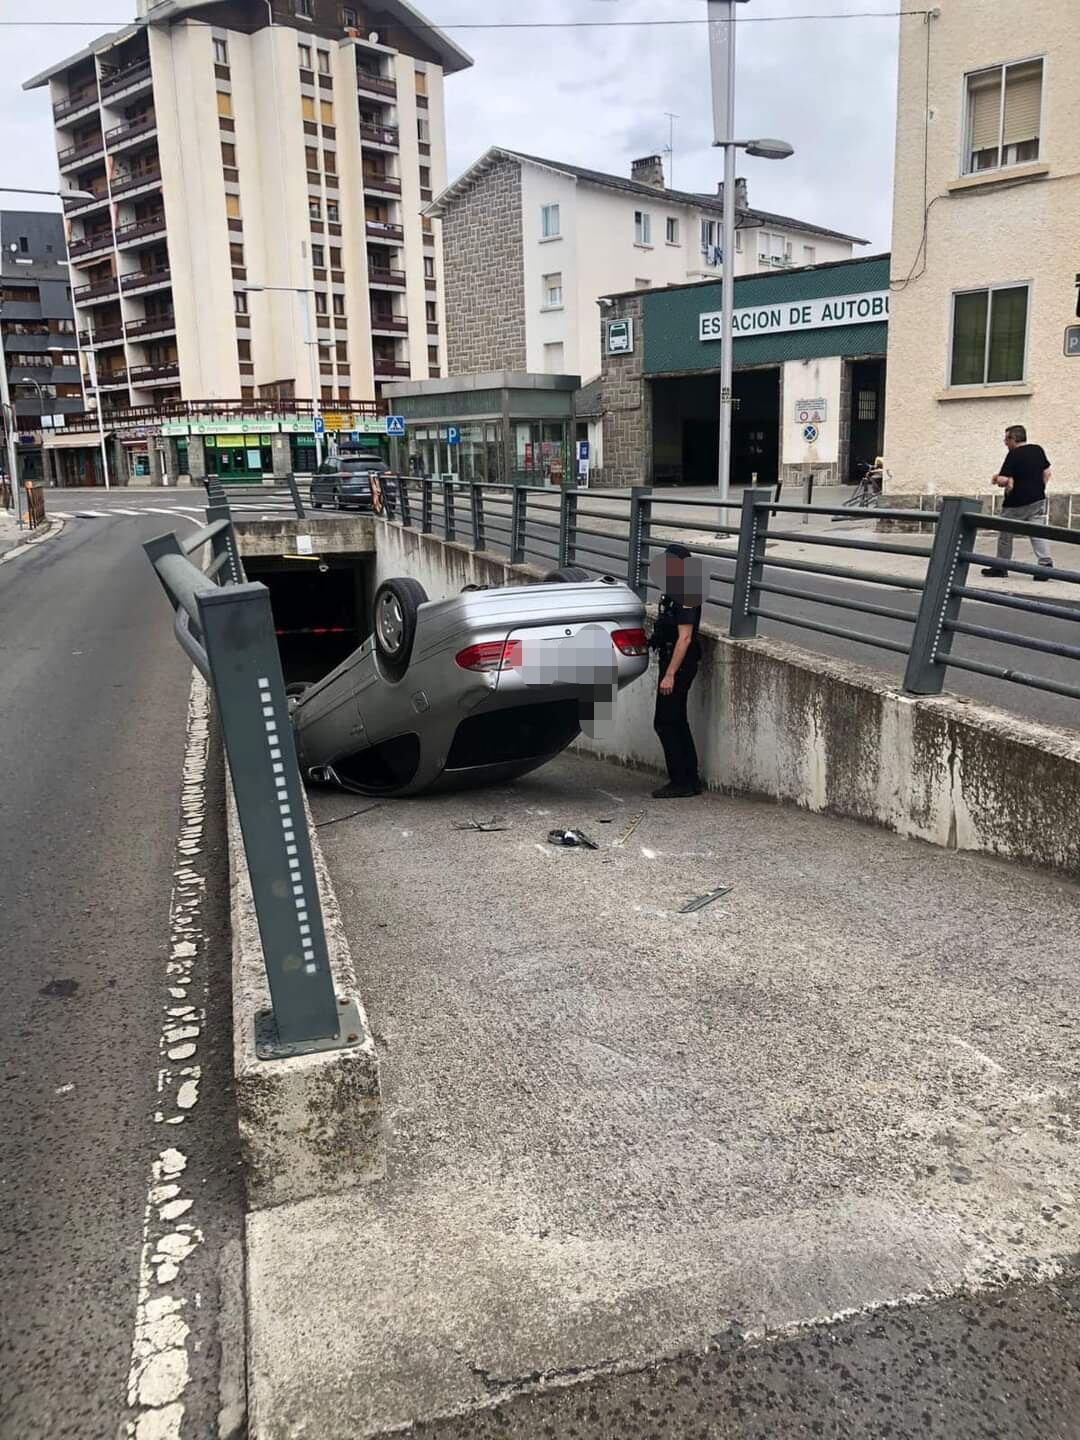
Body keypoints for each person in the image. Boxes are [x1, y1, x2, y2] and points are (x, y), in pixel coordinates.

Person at [650, 543, 702, 799]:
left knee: (666, 721)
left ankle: (682, 781)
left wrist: (670, 673)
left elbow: (685, 638)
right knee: (675, 720)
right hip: (672, 660)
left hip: (679, 664)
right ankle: (689, 779)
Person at [981, 425, 1054, 580]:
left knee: (1005, 534)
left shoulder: (1014, 454)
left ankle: (1001, 567)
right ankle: (1045, 565)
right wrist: (1038, 487)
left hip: (1016, 502)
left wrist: (997, 480)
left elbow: (1002, 480)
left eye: (1006, 439)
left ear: (1013, 439)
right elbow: (1047, 473)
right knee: (1037, 532)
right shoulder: (1037, 450)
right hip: (1038, 499)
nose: (1004, 442)